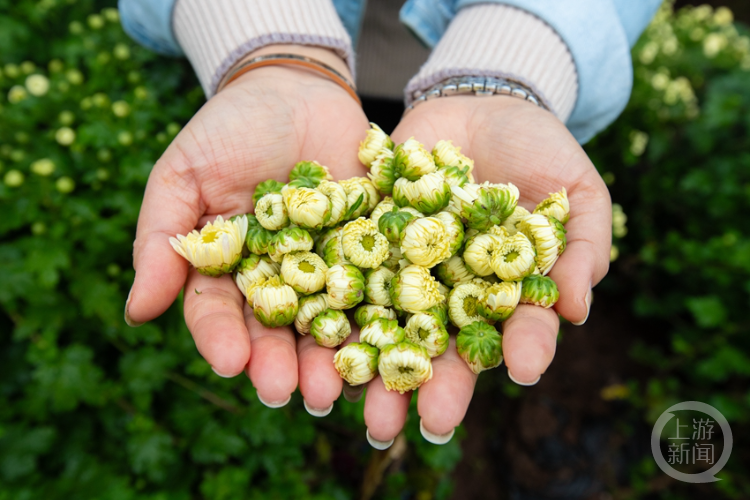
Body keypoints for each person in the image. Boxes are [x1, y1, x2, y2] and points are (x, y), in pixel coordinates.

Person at [119, 0, 661, 449]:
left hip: (463, 92)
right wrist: (272, 54)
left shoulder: (453, 221)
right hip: (300, 92)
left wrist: (513, 63)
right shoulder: (333, 219)